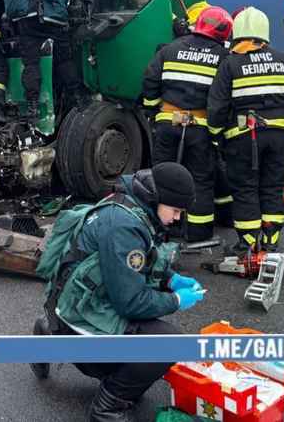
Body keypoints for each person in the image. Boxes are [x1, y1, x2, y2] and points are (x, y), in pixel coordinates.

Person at [33, 162, 205, 422]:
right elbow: (131, 303)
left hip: (73, 301)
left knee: (147, 343)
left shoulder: (130, 204)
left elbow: (138, 262)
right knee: (169, 343)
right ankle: (107, 408)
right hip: (80, 314)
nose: (178, 218)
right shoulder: (124, 227)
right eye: (176, 210)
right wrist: (176, 300)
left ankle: (50, 332)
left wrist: (171, 280)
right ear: (158, 198)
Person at [142, 6, 233, 242]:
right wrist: (218, 131)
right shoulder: (224, 58)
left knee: (161, 177)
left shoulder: (170, 49)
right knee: (200, 179)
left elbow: (150, 78)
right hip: (200, 128)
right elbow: (222, 99)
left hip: (167, 123)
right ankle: (198, 233)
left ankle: (157, 231)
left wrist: (153, 109)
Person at [207, 7, 284, 253]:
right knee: (272, 186)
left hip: (243, 136)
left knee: (245, 188)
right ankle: (271, 240)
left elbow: (217, 106)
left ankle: (247, 242)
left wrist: (215, 135)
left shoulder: (230, 63)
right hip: (278, 136)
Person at [2, 0, 85, 123]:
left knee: (31, 64)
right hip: (48, 18)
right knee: (64, 59)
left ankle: (32, 106)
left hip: (24, 22)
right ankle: (79, 98)